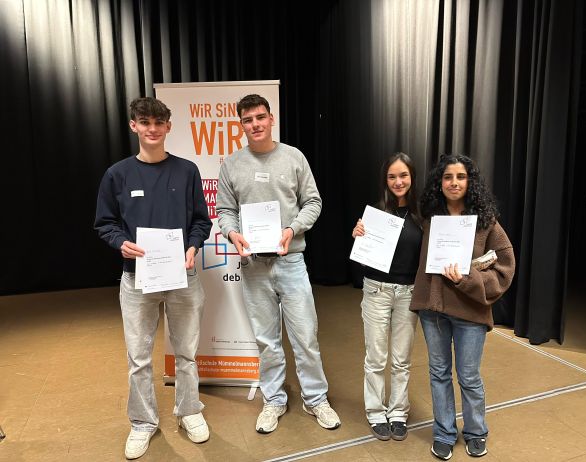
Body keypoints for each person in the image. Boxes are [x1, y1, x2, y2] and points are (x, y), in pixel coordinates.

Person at [94, 97, 212, 460]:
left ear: (168, 127)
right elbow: (105, 223)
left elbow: (201, 221)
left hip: (182, 276)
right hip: (137, 280)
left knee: (187, 353)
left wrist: (193, 246)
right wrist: (120, 243)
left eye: (159, 123)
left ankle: (189, 411)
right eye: (145, 122)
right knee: (139, 358)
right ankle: (143, 422)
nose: (152, 129)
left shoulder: (187, 171)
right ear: (134, 126)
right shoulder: (117, 174)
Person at [216, 94, 341, 434]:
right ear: (241, 125)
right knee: (266, 340)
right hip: (253, 266)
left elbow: (313, 202)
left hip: (291, 260)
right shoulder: (231, 165)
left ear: (271, 119)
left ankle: (315, 399)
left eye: (260, 117)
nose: (255, 124)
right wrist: (233, 234)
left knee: (305, 335)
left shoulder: (293, 157)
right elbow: (225, 210)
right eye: (247, 120)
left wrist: (292, 229)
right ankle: (273, 400)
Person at [410, 154, 515, 460]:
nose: (454, 183)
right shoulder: (429, 218)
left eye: (460, 177)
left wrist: (470, 281)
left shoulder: (485, 222)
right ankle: (444, 432)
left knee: (468, 376)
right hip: (433, 311)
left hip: (470, 313)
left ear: (470, 182)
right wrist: (366, 232)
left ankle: (476, 431)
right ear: (439, 183)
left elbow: (505, 266)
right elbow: (399, 235)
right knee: (438, 373)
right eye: (447, 177)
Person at [351, 153, 423, 442]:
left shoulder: (423, 215)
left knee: (402, 359)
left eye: (403, 175)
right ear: (385, 180)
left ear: (412, 177)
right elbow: (364, 257)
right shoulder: (375, 214)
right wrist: (358, 237)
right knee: (376, 357)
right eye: (392, 176)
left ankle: (398, 412)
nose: (398, 181)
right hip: (376, 290)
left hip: (408, 294)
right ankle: (375, 411)